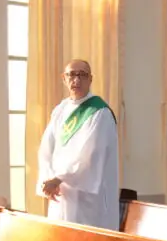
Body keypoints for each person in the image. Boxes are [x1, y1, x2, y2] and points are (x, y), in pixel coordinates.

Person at [36, 59, 119, 230]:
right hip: (60, 193)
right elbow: (46, 148)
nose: (77, 80)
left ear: (90, 79)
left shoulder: (99, 112)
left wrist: (60, 178)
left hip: (86, 198)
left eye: (82, 75)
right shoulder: (61, 110)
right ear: (64, 78)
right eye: (72, 75)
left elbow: (91, 154)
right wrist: (49, 179)